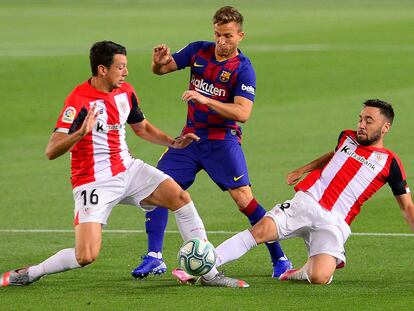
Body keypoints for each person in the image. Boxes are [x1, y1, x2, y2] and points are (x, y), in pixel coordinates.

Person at [0, 41, 248, 288]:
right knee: (85, 255)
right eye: (121, 67)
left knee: (180, 198)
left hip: (128, 169)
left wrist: (174, 142)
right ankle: (30, 273)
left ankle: (209, 273)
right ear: (102, 70)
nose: (126, 72)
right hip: (93, 181)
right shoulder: (79, 101)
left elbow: (142, 128)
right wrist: (79, 133)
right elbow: (51, 150)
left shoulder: (125, 92)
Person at [131, 6, 291, 282]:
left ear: (241, 35)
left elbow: (243, 113)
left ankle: (280, 258)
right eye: (217, 35)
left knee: (244, 200)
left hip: (222, 141)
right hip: (190, 138)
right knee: (159, 187)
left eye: (228, 36)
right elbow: (162, 70)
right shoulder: (198, 51)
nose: (221, 42)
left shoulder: (243, 69)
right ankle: (154, 257)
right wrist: (158, 61)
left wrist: (206, 100)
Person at [211, 100, 414, 284]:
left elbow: (407, 207)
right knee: (260, 231)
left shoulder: (390, 163)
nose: (361, 125)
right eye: (360, 119)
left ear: (385, 127)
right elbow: (334, 156)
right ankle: (206, 262)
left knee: (320, 277)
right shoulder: (347, 137)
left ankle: (299, 272)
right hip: (308, 201)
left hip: (336, 222)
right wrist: (303, 169)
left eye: (369, 121)